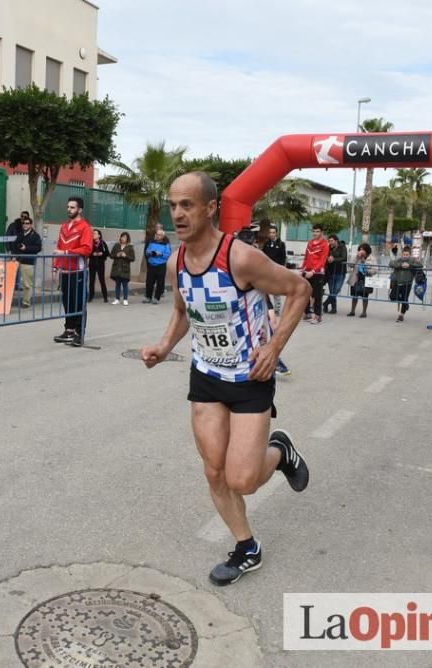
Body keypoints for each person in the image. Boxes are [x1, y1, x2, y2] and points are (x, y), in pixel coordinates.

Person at [140, 172, 311, 587]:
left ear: (210, 208)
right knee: (214, 472)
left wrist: (274, 349)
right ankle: (246, 547)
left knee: (242, 479)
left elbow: (300, 289)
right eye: (173, 205)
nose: (178, 214)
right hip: (206, 375)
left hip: (249, 378)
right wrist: (164, 347)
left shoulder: (239, 257)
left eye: (187, 205)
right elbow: (184, 313)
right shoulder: (177, 262)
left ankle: (281, 451)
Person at [52, 196, 93, 347]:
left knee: (78, 303)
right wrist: (56, 267)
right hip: (65, 272)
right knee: (67, 302)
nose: (69, 209)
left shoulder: (85, 227)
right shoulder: (64, 226)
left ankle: (79, 333)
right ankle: (68, 331)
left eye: (72, 207)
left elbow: (87, 249)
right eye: (68, 207)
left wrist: (66, 252)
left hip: (78, 272)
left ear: (79, 210)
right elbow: (59, 248)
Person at [12, 215, 42, 308]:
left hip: (28, 261)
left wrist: (26, 248)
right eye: (23, 223)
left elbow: (38, 248)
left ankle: (26, 302)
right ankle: (7, 300)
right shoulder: (20, 234)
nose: (25, 225)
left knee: (27, 283)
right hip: (17, 260)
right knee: (12, 281)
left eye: (27, 223)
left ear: (31, 225)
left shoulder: (35, 236)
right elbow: (15, 245)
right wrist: (14, 256)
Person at [300, 223, 329, 323]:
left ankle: (318, 316)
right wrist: (302, 268)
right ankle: (307, 313)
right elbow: (306, 257)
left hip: (317, 273)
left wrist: (313, 271)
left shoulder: (325, 244)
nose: (315, 233)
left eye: (317, 231)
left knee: (317, 295)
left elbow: (323, 260)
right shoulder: (310, 243)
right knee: (305, 293)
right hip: (307, 272)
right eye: (314, 231)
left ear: (321, 232)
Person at [388, 245, 422, 322]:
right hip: (397, 282)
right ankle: (405, 303)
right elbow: (390, 263)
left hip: (407, 283)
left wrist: (410, 265)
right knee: (392, 297)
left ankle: (401, 315)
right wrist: (400, 265)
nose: (405, 256)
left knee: (404, 298)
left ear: (409, 255)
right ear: (402, 254)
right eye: (404, 254)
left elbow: (420, 265)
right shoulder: (399, 260)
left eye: (407, 255)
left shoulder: (412, 260)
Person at [261, 226, 287, 314]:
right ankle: (268, 307)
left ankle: (277, 309)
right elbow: (263, 256)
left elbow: (283, 258)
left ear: (276, 233)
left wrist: (280, 268)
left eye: (273, 232)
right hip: (266, 270)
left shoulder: (281, 244)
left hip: (276, 270)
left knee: (276, 290)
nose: (271, 234)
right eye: (270, 233)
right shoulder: (266, 244)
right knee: (265, 290)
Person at [347, 242, 376, 318]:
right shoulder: (356, 257)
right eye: (360, 249)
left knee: (365, 296)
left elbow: (375, 269)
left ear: (367, 250)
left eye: (363, 249)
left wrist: (367, 268)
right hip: (356, 278)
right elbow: (350, 265)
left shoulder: (371, 258)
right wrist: (356, 257)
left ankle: (364, 312)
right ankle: (352, 311)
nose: (361, 251)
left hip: (366, 279)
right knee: (354, 296)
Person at [144, 227, 171, 304]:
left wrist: (160, 254)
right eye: (156, 234)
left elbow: (167, 254)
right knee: (149, 281)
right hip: (151, 264)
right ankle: (148, 297)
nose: (157, 236)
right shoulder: (151, 242)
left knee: (160, 282)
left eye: (159, 235)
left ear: (163, 236)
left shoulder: (166, 244)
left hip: (161, 265)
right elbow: (147, 251)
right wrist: (150, 253)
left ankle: (156, 298)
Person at [323, 234, 348, 314]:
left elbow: (344, 258)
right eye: (329, 241)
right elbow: (324, 258)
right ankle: (333, 308)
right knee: (332, 291)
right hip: (330, 272)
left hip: (340, 272)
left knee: (336, 290)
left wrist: (334, 259)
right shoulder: (328, 248)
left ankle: (325, 303)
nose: (330, 243)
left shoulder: (342, 247)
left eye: (331, 241)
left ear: (336, 241)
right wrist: (328, 259)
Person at [109, 231, 135, 305]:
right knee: (117, 284)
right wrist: (116, 255)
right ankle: (117, 299)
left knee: (125, 284)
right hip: (117, 267)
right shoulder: (116, 245)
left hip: (125, 268)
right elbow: (111, 255)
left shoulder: (130, 247)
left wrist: (125, 256)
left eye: (125, 237)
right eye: (122, 237)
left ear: (127, 239)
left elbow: (133, 258)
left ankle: (125, 299)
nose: (123, 238)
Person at [88, 229, 110, 303]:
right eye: (93, 233)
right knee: (91, 281)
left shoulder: (103, 243)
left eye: (95, 233)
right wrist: (92, 254)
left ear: (99, 235)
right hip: (92, 264)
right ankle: (90, 296)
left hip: (100, 264)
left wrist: (102, 254)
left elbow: (107, 253)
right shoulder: (90, 243)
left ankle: (105, 297)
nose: (94, 234)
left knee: (102, 280)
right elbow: (87, 253)